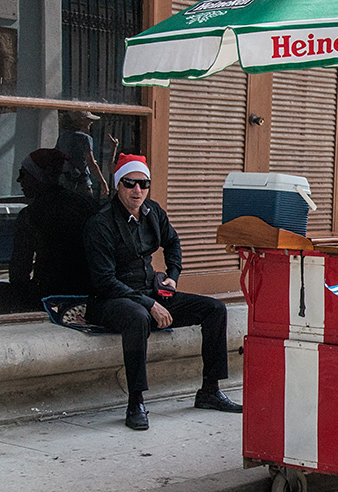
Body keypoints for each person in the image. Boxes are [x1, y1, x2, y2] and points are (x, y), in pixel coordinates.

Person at [82, 153, 241, 431]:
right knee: (138, 317)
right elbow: (104, 280)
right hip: (111, 299)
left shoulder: (152, 212)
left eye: (143, 184)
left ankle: (209, 390)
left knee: (214, 309)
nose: (137, 191)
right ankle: (136, 402)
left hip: (149, 290)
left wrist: (173, 276)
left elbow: (173, 242)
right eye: (130, 183)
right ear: (118, 185)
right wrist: (148, 304)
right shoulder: (101, 224)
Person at [3, 149, 98, 312]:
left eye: (23, 174)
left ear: (37, 178)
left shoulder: (31, 215)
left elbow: (19, 273)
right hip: (90, 294)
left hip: (49, 298)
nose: (19, 181)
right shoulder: (86, 206)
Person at [56, 110, 118, 200]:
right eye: (88, 120)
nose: (91, 122)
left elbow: (57, 156)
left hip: (65, 181)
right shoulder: (85, 138)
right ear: (81, 120)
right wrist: (103, 182)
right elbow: (91, 163)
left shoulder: (63, 136)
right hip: (81, 182)